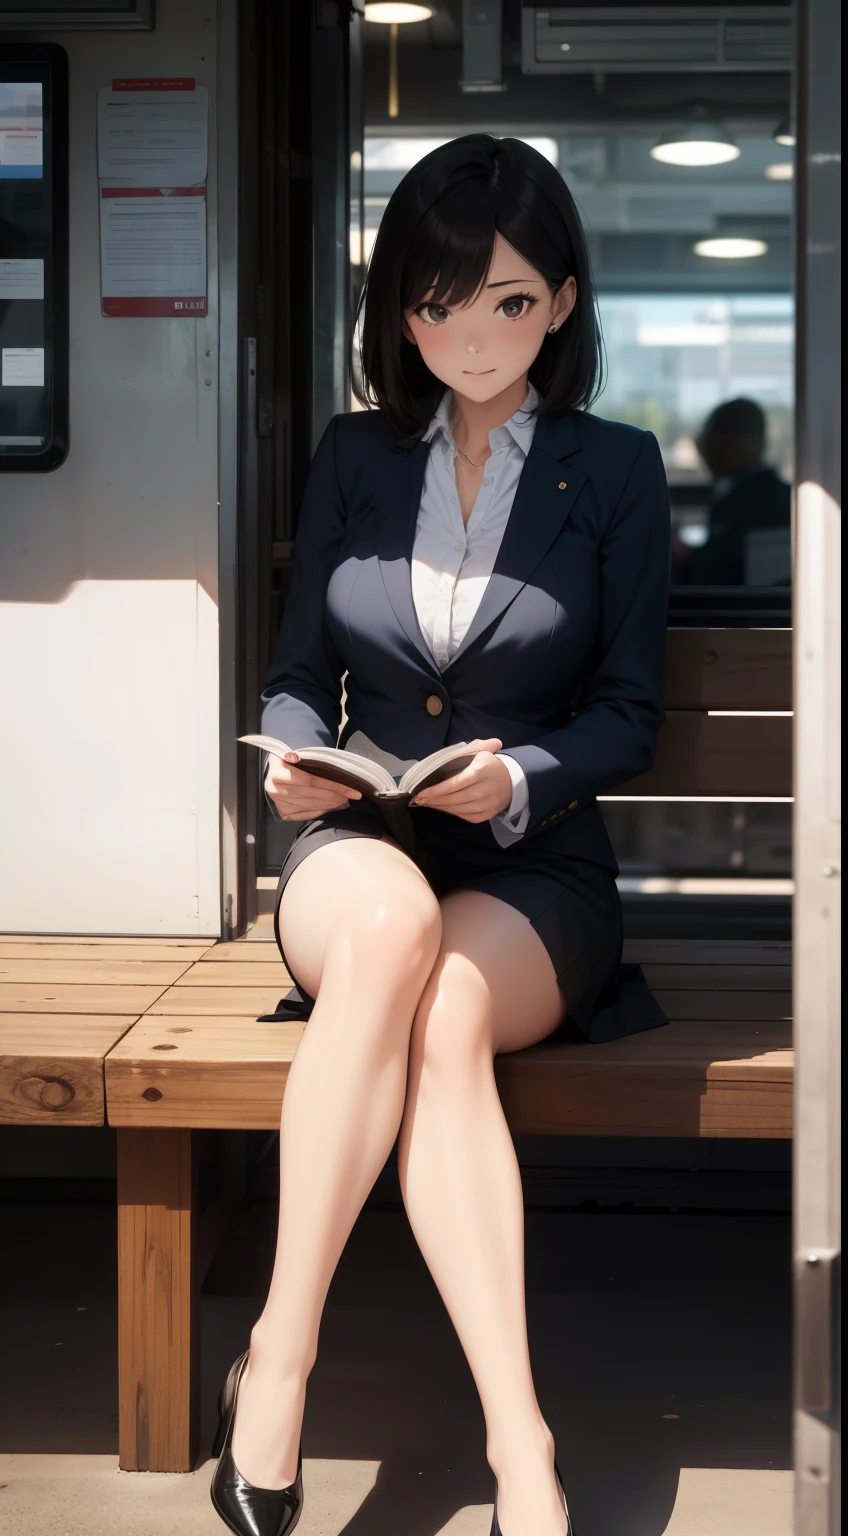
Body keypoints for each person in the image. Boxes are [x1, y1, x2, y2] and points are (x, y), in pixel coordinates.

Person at [210, 134, 670, 1536]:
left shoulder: (618, 469)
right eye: (438, 304)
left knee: (447, 1011)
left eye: (509, 302)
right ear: (400, 314)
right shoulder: (354, 456)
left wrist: (521, 776)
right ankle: (292, 1359)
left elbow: (628, 714)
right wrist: (297, 756)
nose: (473, 335)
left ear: (565, 301)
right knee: (396, 934)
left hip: (534, 865)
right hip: (361, 851)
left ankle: (508, 1436)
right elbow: (300, 668)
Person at [685, 397, 791, 585]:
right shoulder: (787, 497)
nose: (704, 449)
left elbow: (712, 575)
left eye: (710, 438)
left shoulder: (735, 503)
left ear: (739, 442)